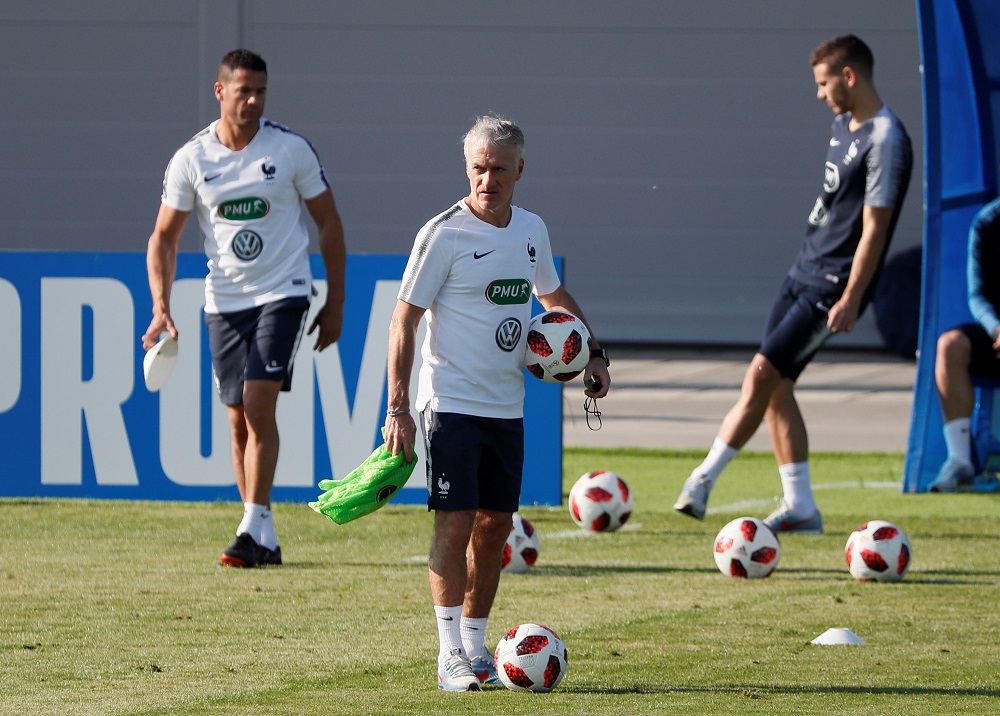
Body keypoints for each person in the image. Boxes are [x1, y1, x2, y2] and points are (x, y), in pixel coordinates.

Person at [384, 114, 610, 692]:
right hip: (450, 403)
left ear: (520, 170)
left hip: (507, 407)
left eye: (499, 170)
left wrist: (592, 352)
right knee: (455, 523)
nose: (488, 180)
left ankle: (476, 647)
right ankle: (447, 656)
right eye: (479, 169)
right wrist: (398, 408)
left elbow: (552, 295)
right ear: (467, 168)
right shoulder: (444, 234)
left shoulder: (531, 229)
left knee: (494, 529)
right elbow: (404, 320)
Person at [674, 34, 913, 533]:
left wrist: (852, 297)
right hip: (803, 270)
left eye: (824, 83)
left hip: (833, 284)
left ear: (849, 76)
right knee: (778, 386)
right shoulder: (842, 125)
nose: (819, 94)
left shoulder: (887, 139)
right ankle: (801, 507)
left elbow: (875, 229)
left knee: (762, 374)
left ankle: (702, 481)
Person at [142, 49, 347, 567]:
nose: (253, 101)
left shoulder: (290, 149)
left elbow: (328, 222)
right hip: (224, 302)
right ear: (220, 92)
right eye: (243, 91)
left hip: (285, 291)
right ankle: (264, 536)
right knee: (237, 422)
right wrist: (161, 307)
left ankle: (248, 528)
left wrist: (335, 300)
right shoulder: (192, 159)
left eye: (260, 92)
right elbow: (163, 238)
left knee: (258, 405)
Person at [930, 197, 1000, 492]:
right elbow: (977, 295)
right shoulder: (989, 220)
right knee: (950, 346)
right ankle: (960, 463)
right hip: (996, 337)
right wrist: (997, 328)